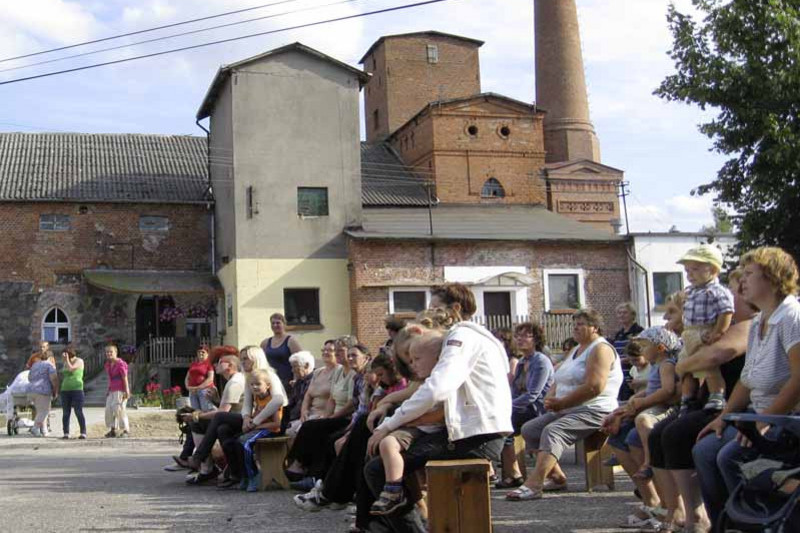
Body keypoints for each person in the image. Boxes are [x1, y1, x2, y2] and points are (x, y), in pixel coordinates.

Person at [364, 282, 512, 532]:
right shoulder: (479, 336)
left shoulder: (460, 336)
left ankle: (390, 519)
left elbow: (436, 388)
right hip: (478, 433)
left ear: (454, 309)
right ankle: (376, 512)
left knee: (376, 468)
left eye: (434, 309)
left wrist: (388, 425)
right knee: (384, 451)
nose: (429, 317)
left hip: (477, 438)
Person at [693, 247, 800, 527]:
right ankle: (723, 525)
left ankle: (757, 524)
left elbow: (799, 379)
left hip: (786, 420)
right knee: (703, 451)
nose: (742, 282)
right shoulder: (758, 322)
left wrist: (766, 421)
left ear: (773, 278)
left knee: (730, 457)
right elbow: (747, 378)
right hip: (759, 414)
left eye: (750, 274)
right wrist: (723, 416)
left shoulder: (792, 317)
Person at [643, 275, 754, 533]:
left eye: (735, 290)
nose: (731, 294)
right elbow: (698, 364)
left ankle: (702, 516)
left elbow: (715, 356)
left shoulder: (747, 326)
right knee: (659, 433)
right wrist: (690, 364)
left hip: (729, 402)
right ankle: (680, 510)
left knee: (679, 435)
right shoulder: (723, 328)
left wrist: (684, 364)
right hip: (716, 400)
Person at [507, 308, 623, 501]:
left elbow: (594, 387)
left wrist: (562, 403)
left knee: (553, 431)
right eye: (574, 324)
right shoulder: (577, 350)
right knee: (530, 429)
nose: (575, 328)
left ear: (595, 327)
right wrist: (552, 398)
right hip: (569, 408)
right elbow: (558, 377)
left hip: (595, 409)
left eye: (581, 324)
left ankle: (534, 484)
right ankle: (556, 476)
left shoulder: (600, 349)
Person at [286, 336, 358, 486]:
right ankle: (302, 467)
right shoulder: (339, 372)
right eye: (336, 350)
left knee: (313, 428)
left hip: (345, 416)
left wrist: (331, 418)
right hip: (333, 415)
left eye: (341, 351)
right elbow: (332, 398)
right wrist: (326, 416)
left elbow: (351, 403)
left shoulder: (353, 373)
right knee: (311, 426)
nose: (337, 353)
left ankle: (306, 470)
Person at [677, 244, 735, 412]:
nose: (690, 275)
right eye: (687, 271)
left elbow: (726, 311)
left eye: (695, 269)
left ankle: (717, 394)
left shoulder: (717, 291)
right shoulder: (691, 291)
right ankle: (687, 397)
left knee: (707, 366)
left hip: (704, 330)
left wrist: (718, 331)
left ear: (713, 269)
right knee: (685, 366)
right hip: (689, 332)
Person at [497, 322, 554, 489]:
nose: (520, 339)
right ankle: (512, 472)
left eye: (525, 336)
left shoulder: (541, 361)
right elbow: (515, 392)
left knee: (503, 422)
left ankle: (513, 473)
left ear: (535, 339)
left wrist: (507, 406)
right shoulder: (523, 361)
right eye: (518, 336)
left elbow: (533, 395)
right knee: (499, 422)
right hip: (523, 408)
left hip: (539, 409)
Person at [179, 353, 247, 483]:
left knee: (198, 423)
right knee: (217, 427)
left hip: (242, 419)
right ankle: (207, 468)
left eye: (220, 362)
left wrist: (196, 416)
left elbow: (222, 413)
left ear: (230, 366)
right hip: (233, 419)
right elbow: (226, 410)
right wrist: (215, 400)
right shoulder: (232, 380)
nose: (216, 365)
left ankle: (202, 462)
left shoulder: (235, 382)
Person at [222, 368, 284, 491]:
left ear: (267, 386)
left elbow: (277, 424)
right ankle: (243, 475)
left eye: (258, 384)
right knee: (231, 442)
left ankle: (254, 475)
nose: (254, 387)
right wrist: (249, 420)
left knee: (245, 443)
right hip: (257, 428)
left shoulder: (272, 400)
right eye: (252, 384)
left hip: (270, 430)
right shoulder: (257, 398)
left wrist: (256, 425)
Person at [293, 340, 339, 438]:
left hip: (323, 415)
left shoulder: (339, 371)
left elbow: (333, 397)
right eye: (324, 350)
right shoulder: (318, 372)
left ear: (337, 353)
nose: (325, 352)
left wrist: (324, 416)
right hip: (310, 414)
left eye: (330, 350)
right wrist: (304, 411)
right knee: (290, 431)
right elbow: (308, 395)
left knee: (300, 433)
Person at [260, 312, 302, 391]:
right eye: (273, 323)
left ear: (284, 324)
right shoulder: (265, 343)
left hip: (287, 381)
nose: (275, 325)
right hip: (271, 381)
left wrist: (296, 379)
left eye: (278, 323)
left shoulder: (291, 341)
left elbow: (299, 361)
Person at [283, 350, 315, 435]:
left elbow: (301, 403)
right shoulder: (299, 382)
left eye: (295, 367)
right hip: (294, 417)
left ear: (306, 365)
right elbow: (291, 402)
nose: (292, 370)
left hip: (306, 416)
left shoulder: (314, 380)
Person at [27, 355, 59, 437]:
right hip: (43, 391)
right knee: (44, 411)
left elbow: (29, 377)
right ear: (49, 358)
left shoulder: (35, 365)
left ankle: (43, 430)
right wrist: (55, 390)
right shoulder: (49, 365)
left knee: (40, 411)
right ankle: (35, 428)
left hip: (31, 390)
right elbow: (54, 378)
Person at [104, 345, 130, 438]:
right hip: (112, 389)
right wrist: (108, 389)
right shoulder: (108, 364)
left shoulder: (120, 364)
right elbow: (110, 378)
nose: (109, 354)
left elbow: (124, 377)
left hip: (120, 389)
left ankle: (125, 430)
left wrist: (127, 390)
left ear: (116, 353)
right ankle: (113, 429)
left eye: (111, 352)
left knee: (119, 409)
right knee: (108, 409)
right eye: (107, 352)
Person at [60, 348, 86, 439]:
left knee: (78, 411)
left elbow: (71, 369)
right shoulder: (65, 362)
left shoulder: (79, 361)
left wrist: (67, 360)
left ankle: (83, 432)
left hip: (77, 389)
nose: (63, 357)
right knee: (66, 412)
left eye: (64, 355)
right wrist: (66, 361)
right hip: (65, 390)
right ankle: (66, 433)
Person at [185, 345, 216, 412]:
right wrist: (187, 386)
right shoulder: (193, 364)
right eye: (199, 352)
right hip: (192, 391)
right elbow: (187, 377)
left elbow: (210, 379)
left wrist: (199, 387)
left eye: (203, 352)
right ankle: (199, 422)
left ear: (207, 354)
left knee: (205, 409)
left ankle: (207, 422)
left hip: (204, 390)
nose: (200, 353)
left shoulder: (209, 364)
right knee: (195, 411)